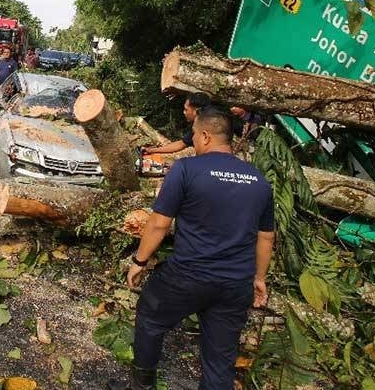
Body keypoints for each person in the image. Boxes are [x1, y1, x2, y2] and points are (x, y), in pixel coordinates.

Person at [117, 107, 274, 390]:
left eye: (193, 134)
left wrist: (139, 261)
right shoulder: (259, 181)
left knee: (150, 318)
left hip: (188, 276)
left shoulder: (186, 169)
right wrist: (259, 279)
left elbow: (159, 224)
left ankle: (142, 386)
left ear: (205, 136)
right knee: (220, 360)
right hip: (235, 284)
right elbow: (266, 237)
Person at [142, 92, 212, 157]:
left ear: (196, 111)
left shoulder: (208, 127)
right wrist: (153, 150)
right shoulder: (201, 124)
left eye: (186, 109)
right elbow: (181, 143)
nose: (184, 112)